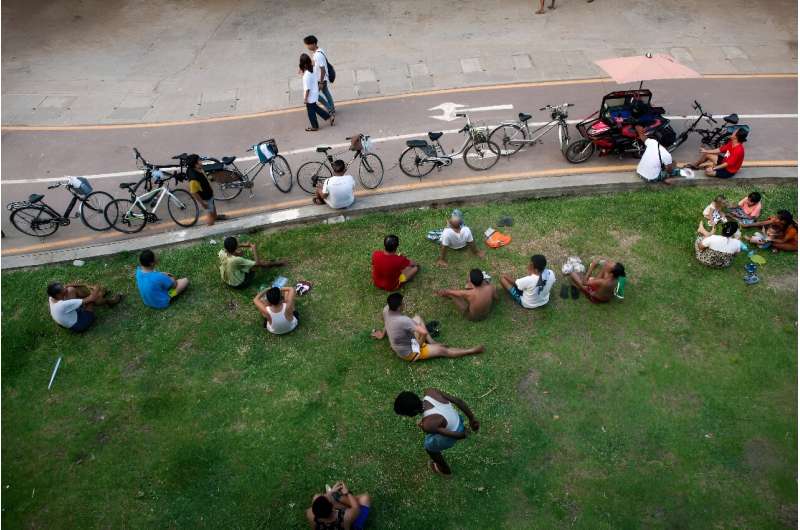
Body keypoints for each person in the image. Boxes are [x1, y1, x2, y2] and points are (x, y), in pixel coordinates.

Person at [372, 293, 484, 361]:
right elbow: (423, 332)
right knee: (442, 350)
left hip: (400, 342)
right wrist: (419, 347)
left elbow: (386, 322)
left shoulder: (386, 309)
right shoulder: (404, 321)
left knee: (417, 318)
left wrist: (382, 334)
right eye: (403, 303)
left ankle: (432, 342)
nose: (404, 304)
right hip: (409, 352)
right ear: (399, 307)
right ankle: (471, 350)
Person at [393, 388, 480, 476]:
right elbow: (458, 401)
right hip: (458, 419)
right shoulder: (431, 392)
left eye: (406, 414)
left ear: (414, 412)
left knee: (429, 446)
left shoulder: (428, 424)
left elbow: (451, 434)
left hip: (456, 432)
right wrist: (472, 418)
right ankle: (462, 429)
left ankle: (445, 470)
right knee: (441, 425)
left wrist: (463, 435)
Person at [47, 282, 121, 332]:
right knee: (92, 300)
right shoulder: (62, 305)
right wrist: (97, 288)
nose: (65, 288)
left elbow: (67, 286)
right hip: (80, 323)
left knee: (71, 289)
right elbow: (91, 298)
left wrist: (83, 284)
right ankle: (110, 301)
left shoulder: (52, 297)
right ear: (58, 295)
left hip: (69, 317)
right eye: (63, 290)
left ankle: (99, 295)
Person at [218, 236, 286, 289]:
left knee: (240, 256)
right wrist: (254, 248)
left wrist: (244, 245)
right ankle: (277, 263)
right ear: (235, 247)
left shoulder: (222, 252)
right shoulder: (237, 260)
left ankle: (275, 263)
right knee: (255, 265)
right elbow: (257, 263)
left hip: (226, 279)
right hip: (238, 284)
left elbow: (233, 247)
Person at [306, 482, 370, 530]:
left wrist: (330, 493)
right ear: (333, 508)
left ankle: (337, 497)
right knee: (365, 498)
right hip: (349, 525)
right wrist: (347, 493)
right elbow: (356, 509)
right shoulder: (345, 517)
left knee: (316, 496)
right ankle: (339, 498)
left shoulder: (309, 514)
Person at [186, 154, 225, 226]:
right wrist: (203, 203)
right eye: (199, 160)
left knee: (212, 206)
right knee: (209, 212)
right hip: (205, 198)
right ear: (195, 164)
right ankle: (210, 225)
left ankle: (215, 217)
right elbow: (194, 192)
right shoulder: (193, 179)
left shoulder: (197, 168)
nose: (201, 161)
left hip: (208, 193)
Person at [303, 35, 335, 117]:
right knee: (326, 93)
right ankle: (332, 108)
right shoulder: (320, 50)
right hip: (322, 78)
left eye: (308, 44)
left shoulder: (318, 55)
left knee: (316, 95)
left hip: (321, 79)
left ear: (313, 44)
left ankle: (330, 109)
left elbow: (323, 69)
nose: (307, 46)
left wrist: (321, 82)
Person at [300, 53, 333, 132]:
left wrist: (305, 99)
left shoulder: (306, 76)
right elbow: (313, 62)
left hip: (310, 96)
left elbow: (307, 89)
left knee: (311, 113)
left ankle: (315, 126)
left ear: (303, 64)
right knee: (316, 108)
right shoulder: (312, 68)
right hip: (315, 93)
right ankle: (329, 117)